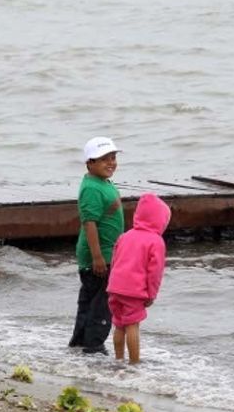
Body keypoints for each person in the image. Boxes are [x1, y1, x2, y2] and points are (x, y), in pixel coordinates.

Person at [68, 136, 124, 354]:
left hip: (103, 253)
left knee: (89, 300)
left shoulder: (101, 182)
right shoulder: (91, 188)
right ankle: (94, 346)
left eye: (113, 158)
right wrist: (98, 257)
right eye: (104, 159)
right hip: (99, 256)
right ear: (89, 163)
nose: (111, 163)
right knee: (101, 303)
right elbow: (89, 223)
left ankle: (80, 342)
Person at [106, 192, 171, 364]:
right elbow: (154, 272)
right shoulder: (156, 241)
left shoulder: (125, 236)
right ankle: (134, 364)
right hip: (134, 291)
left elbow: (114, 261)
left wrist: (113, 282)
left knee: (119, 324)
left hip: (115, 287)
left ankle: (119, 360)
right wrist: (151, 294)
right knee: (132, 325)